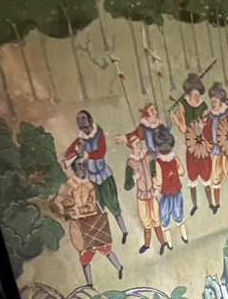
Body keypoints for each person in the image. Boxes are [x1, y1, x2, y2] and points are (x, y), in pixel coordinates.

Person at [52, 157, 122, 287]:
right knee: (84, 256)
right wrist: (61, 206)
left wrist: (76, 210)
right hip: (80, 225)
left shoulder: (89, 185)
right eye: (80, 165)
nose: (83, 168)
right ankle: (89, 283)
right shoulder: (69, 184)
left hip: (93, 221)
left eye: (85, 165)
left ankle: (119, 267)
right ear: (74, 168)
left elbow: (90, 205)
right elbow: (64, 199)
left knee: (106, 249)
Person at [65, 110, 127, 243]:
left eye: (83, 119)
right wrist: (77, 151)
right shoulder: (80, 140)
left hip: (104, 176)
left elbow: (101, 152)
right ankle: (104, 240)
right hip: (92, 180)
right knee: (97, 209)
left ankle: (124, 231)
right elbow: (68, 154)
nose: (80, 122)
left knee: (114, 205)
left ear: (90, 120)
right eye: (78, 120)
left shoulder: (98, 133)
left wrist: (85, 155)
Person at [172, 73, 213, 216]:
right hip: (191, 145)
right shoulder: (183, 105)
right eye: (194, 94)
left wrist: (203, 127)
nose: (196, 96)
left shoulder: (204, 106)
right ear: (189, 94)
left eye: (198, 94)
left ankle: (210, 204)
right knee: (192, 175)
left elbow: (208, 125)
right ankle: (195, 205)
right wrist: (175, 119)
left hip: (203, 145)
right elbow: (183, 127)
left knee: (206, 175)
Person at [203, 82, 228, 213]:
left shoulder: (227, 114)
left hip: (226, 150)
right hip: (216, 150)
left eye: (215, 101)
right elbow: (207, 132)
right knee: (216, 176)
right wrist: (201, 129)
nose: (213, 103)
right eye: (212, 101)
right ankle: (217, 204)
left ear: (220, 101)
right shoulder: (210, 115)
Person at [123, 134, 166, 256]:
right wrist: (134, 177)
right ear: (132, 147)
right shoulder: (131, 163)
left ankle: (162, 243)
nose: (139, 145)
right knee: (146, 222)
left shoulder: (147, 155)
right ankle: (147, 245)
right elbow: (127, 186)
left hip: (152, 194)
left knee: (156, 220)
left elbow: (154, 171)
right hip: (142, 197)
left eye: (139, 143)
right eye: (136, 144)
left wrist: (156, 184)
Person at [153, 127, 187, 248]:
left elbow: (159, 181)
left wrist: (152, 180)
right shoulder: (174, 158)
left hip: (166, 194)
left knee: (165, 218)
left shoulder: (158, 161)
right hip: (177, 192)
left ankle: (170, 244)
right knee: (179, 215)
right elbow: (182, 172)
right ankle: (185, 236)